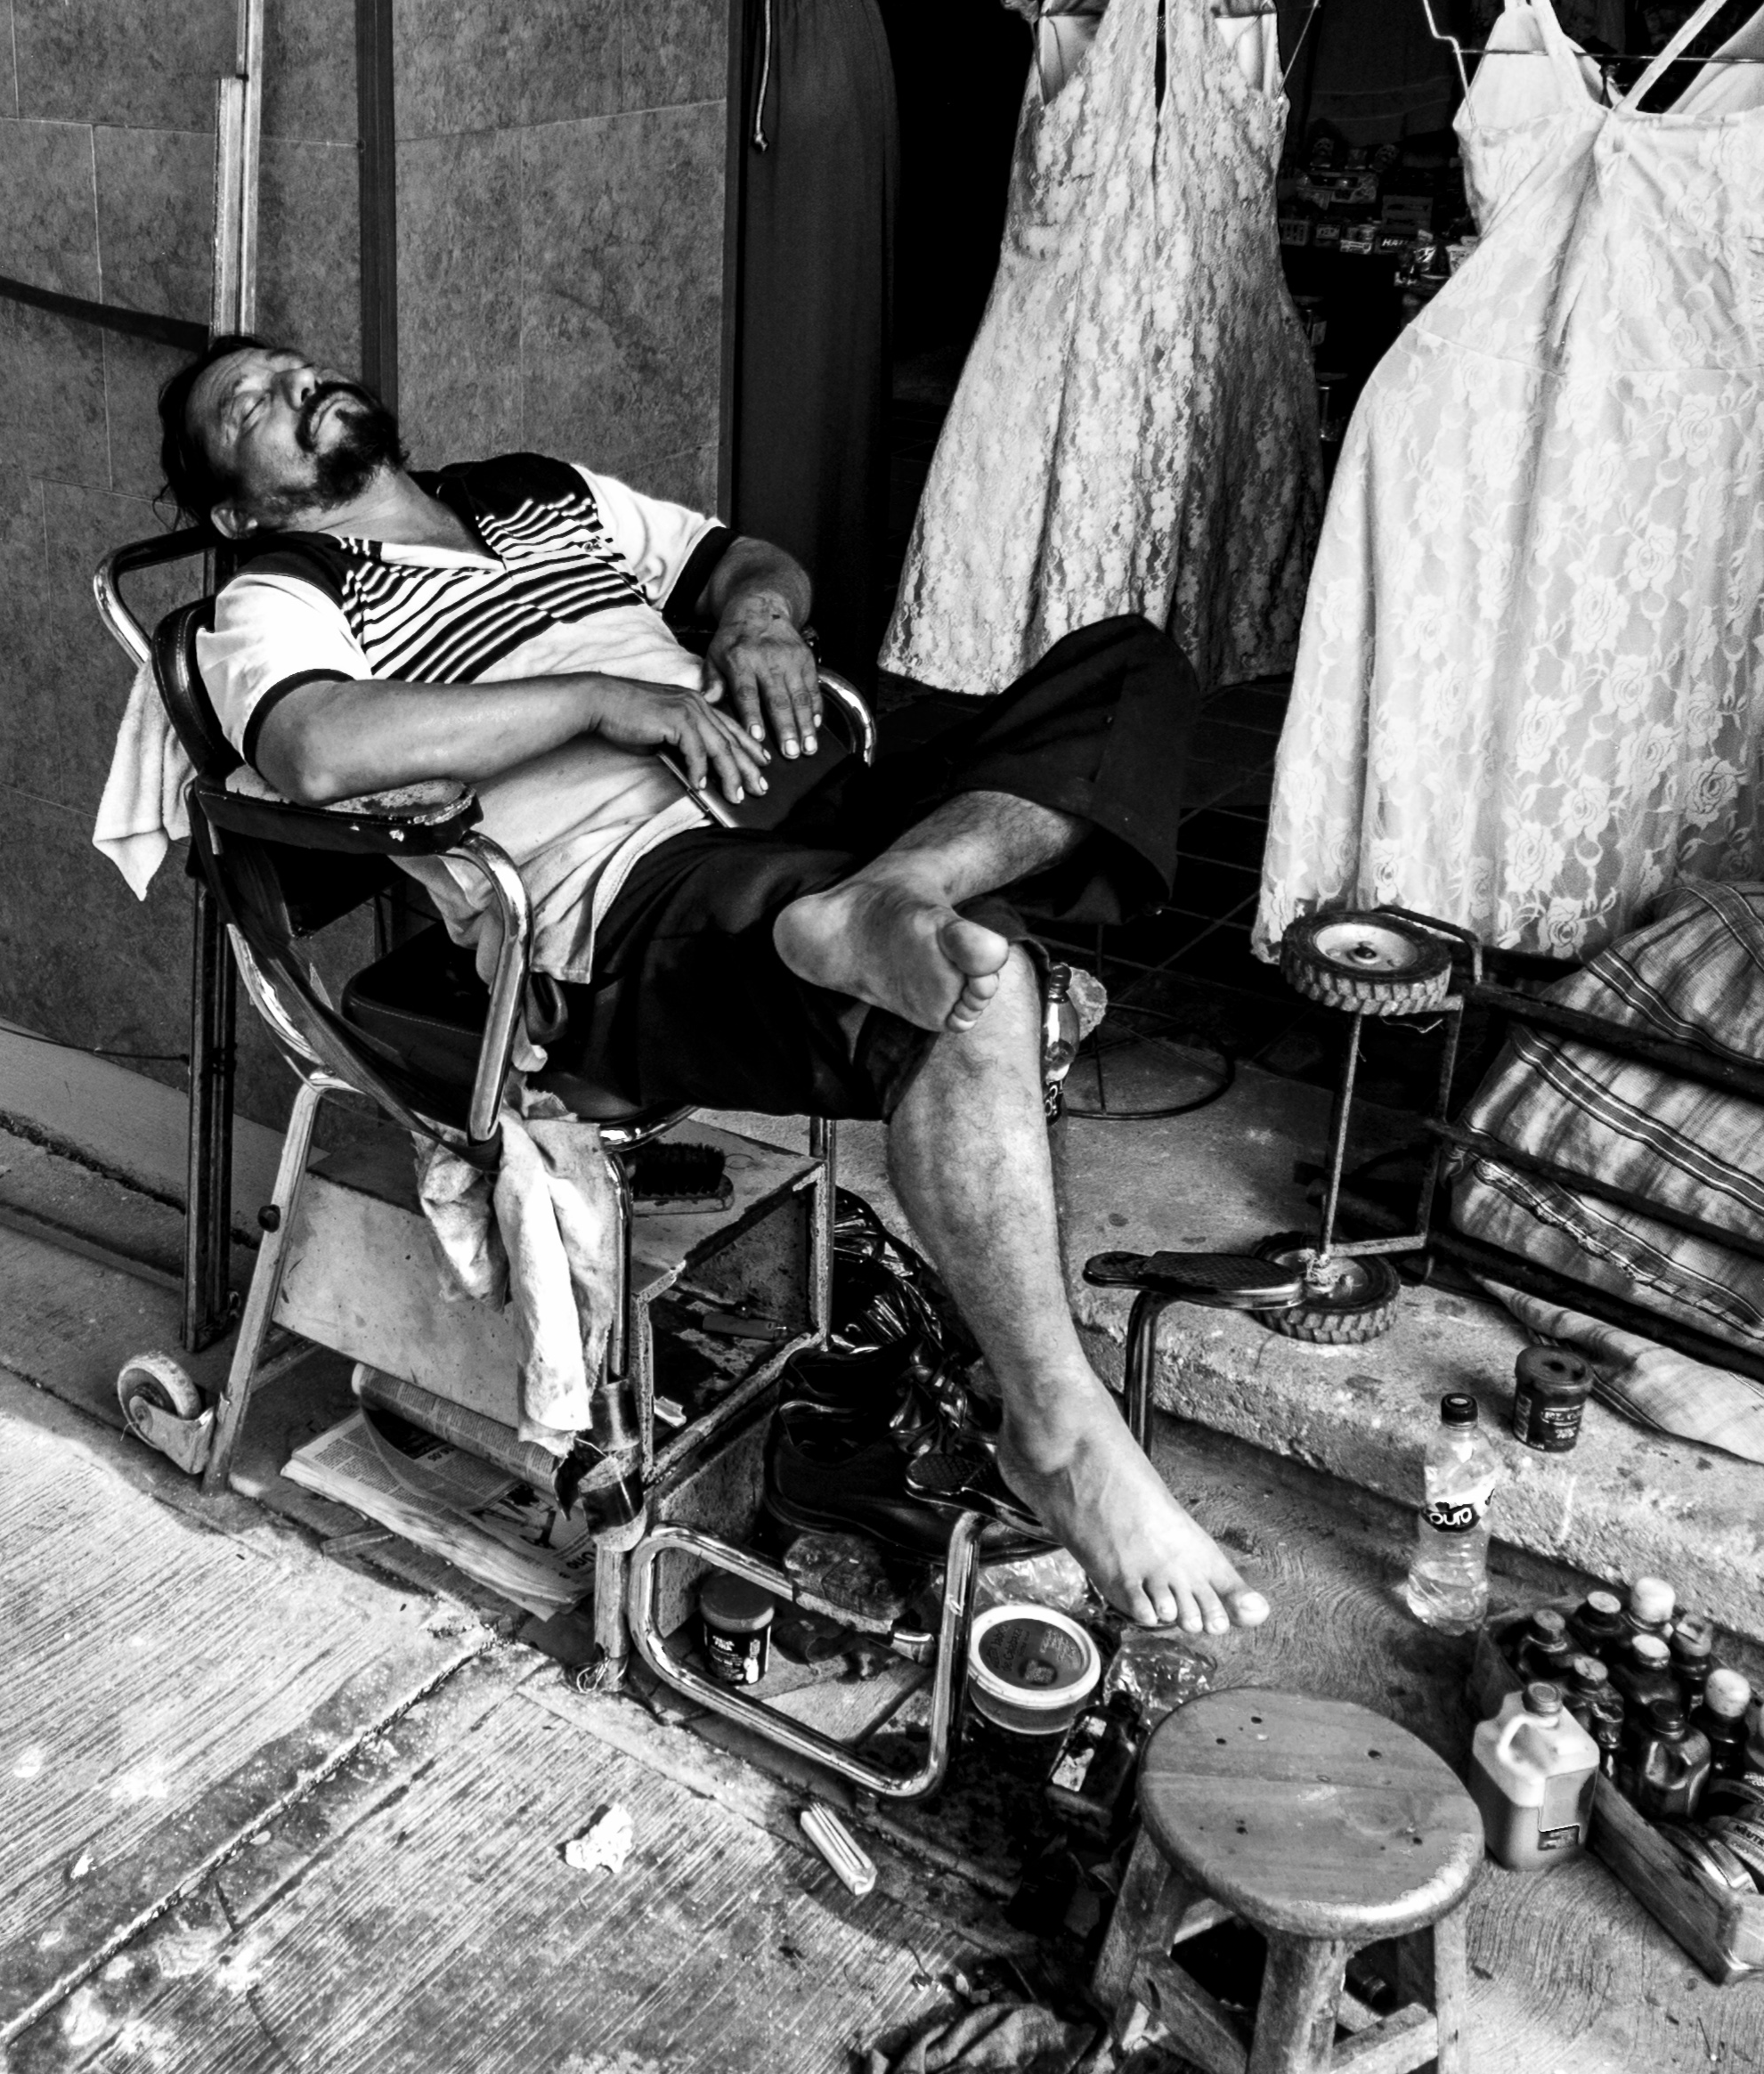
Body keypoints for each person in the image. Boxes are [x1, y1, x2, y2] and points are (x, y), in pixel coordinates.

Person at [155, 340, 1268, 1639]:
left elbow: (740, 559)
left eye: (294, 368)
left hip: (806, 781)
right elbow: (313, 745)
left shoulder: (531, 486)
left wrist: (755, 622)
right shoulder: (278, 588)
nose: (294, 387)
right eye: (249, 403)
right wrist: (599, 699)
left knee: (1129, 665)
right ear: (234, 508)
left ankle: (893, 888)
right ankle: (1060, 1430)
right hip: (633, 883)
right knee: (974, 986)